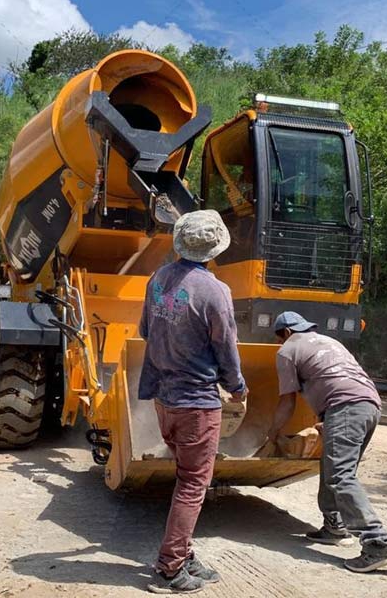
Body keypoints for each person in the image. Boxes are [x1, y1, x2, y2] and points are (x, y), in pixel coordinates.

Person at [138, 209, 248, 594]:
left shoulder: (158, 279)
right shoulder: (215, 291)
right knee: (193, 484)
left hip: (163, 400)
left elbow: (145, 330)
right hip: (197, 403)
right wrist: (237, 387)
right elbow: (226, 348)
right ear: (214, 248)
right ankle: (170, 568)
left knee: (185, 478)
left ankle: (183, 553)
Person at [267, 311, 387, 573]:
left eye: (279, 337)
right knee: (334, 468)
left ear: (285, 333)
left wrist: (272, 432)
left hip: (344, 407)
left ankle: (379, 543)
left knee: (341, 476)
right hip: (369, 405)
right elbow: (336, 376)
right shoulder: (330, 342)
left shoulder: (287, 350)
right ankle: (334, 527)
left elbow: (287, 402)